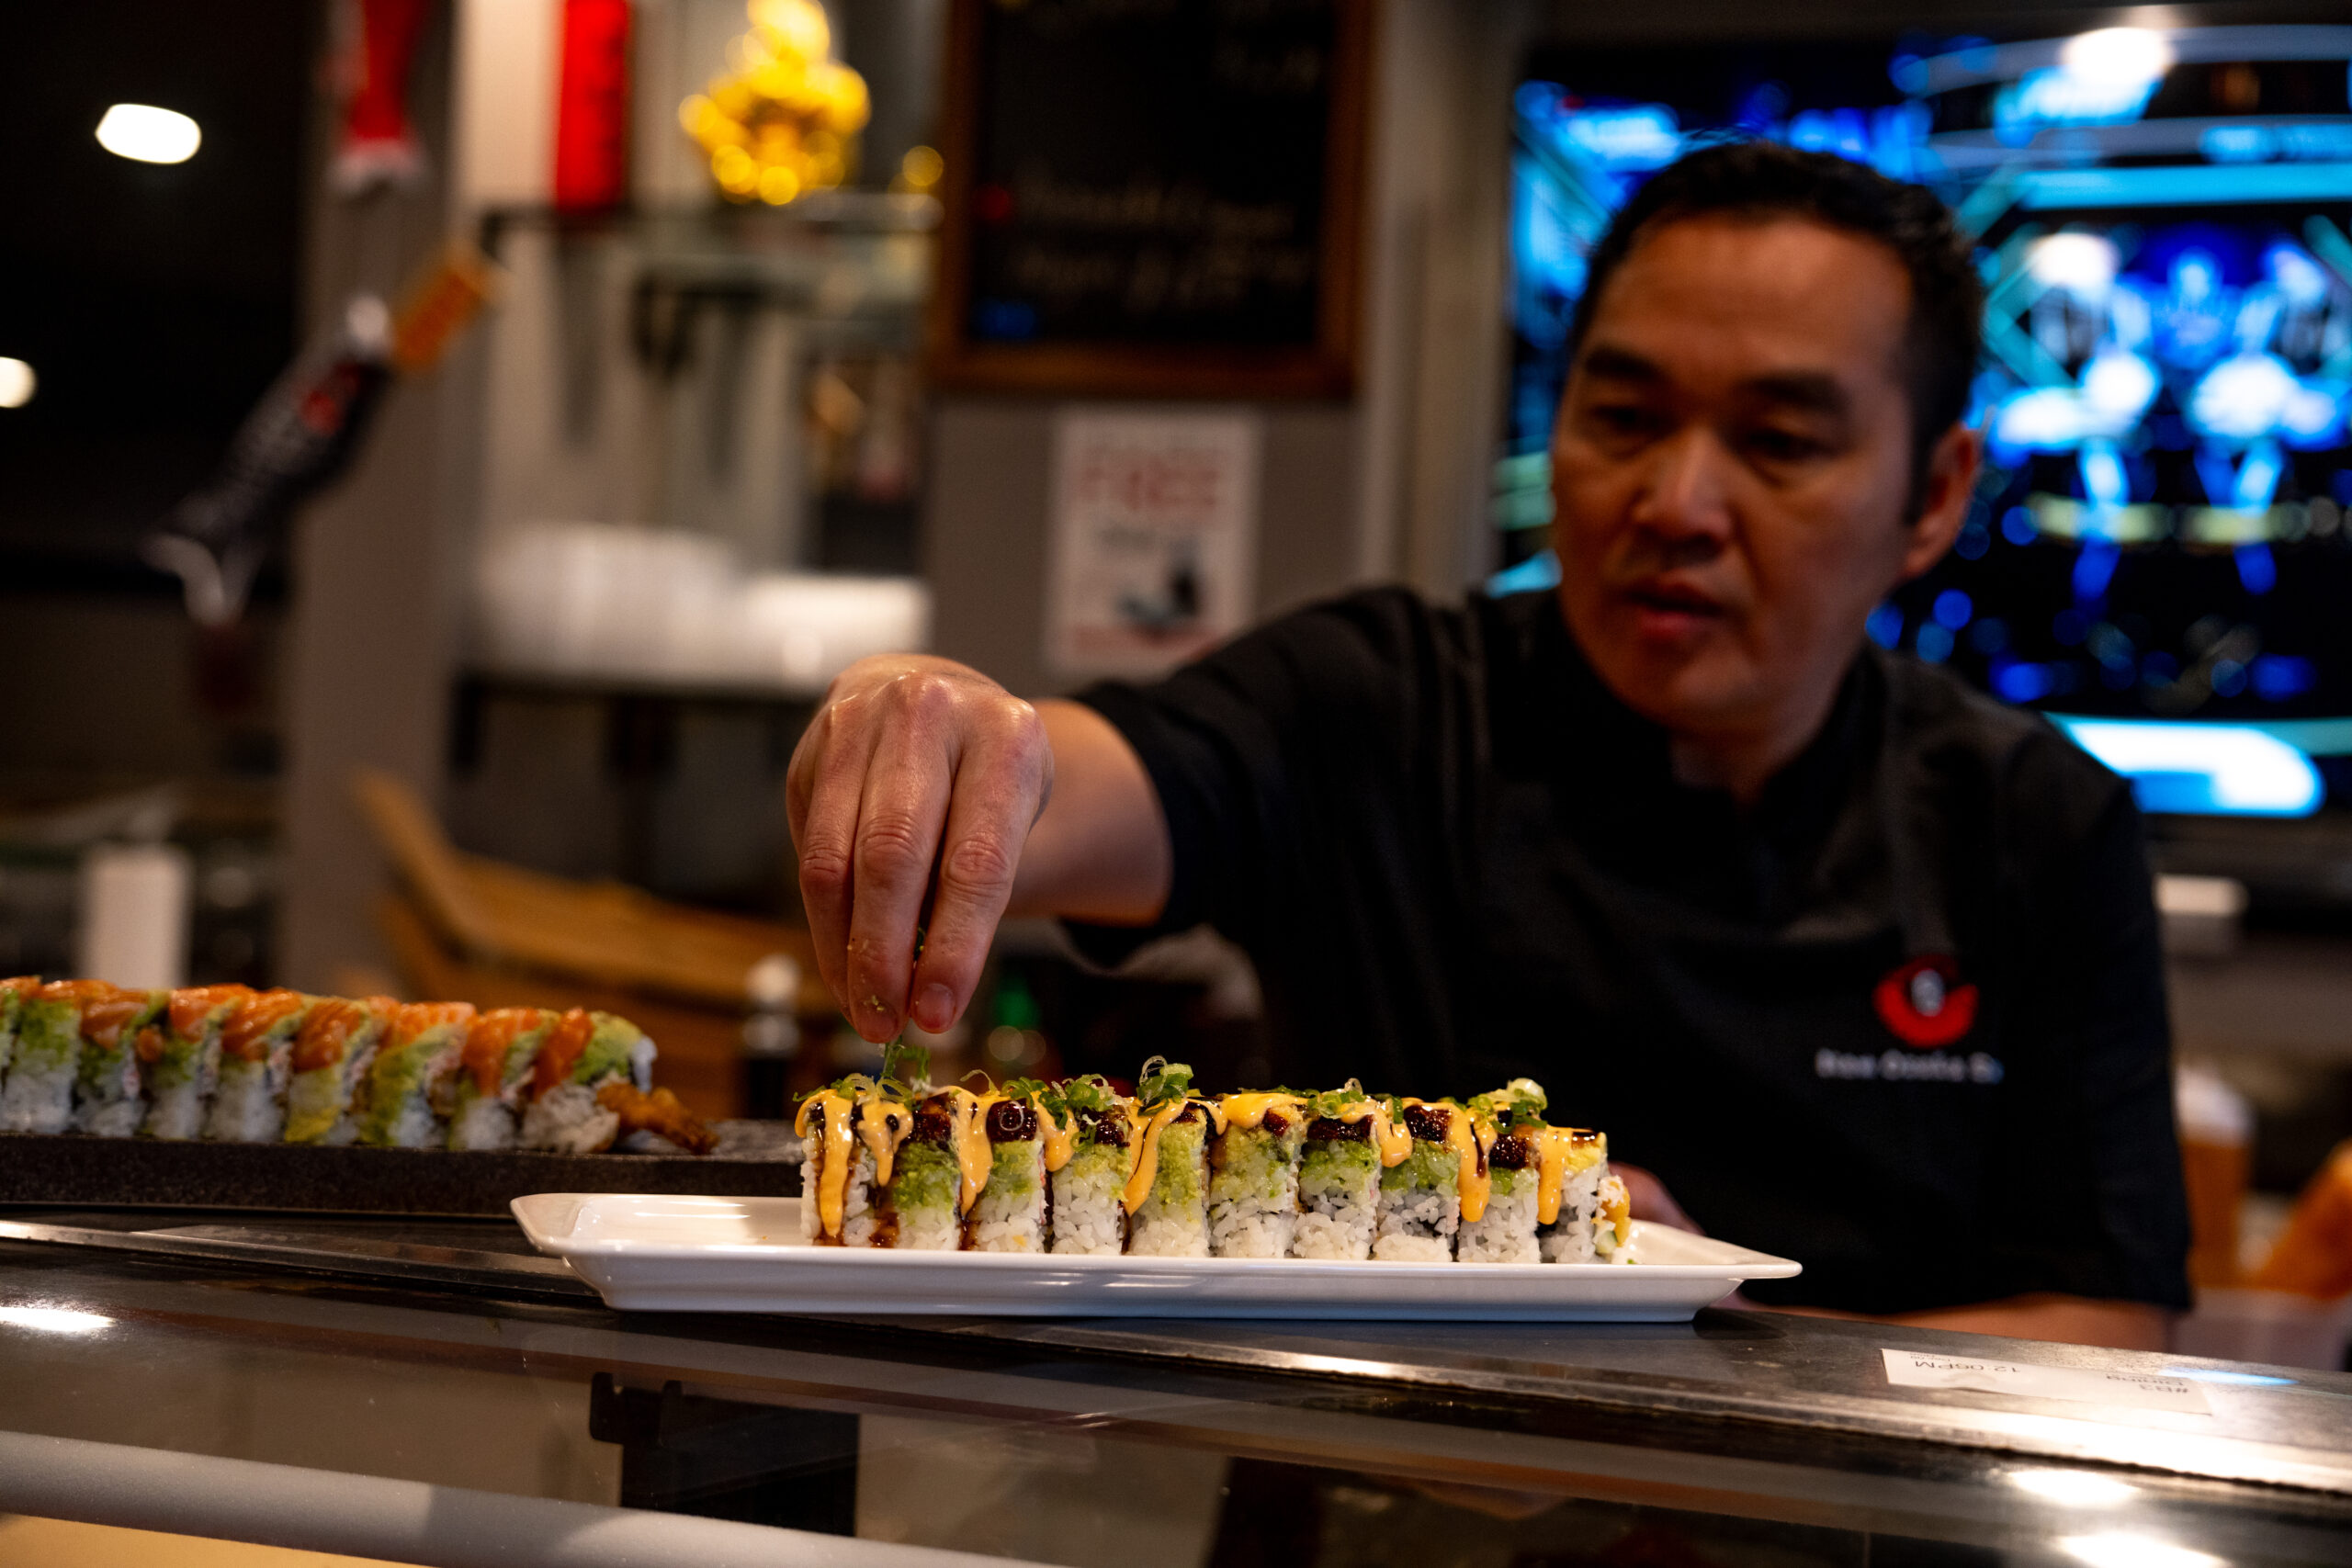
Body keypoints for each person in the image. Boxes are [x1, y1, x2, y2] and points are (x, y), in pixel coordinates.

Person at [786, 143, 2190, 1348]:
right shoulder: (1380, 702)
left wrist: (1703, 1346)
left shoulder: (2034, 822)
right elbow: (1096, 777)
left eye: (1776, 441)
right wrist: (948, 729)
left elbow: (2109, 1331)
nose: (1676, 501)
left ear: (1934, 495)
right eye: (1622, 418)